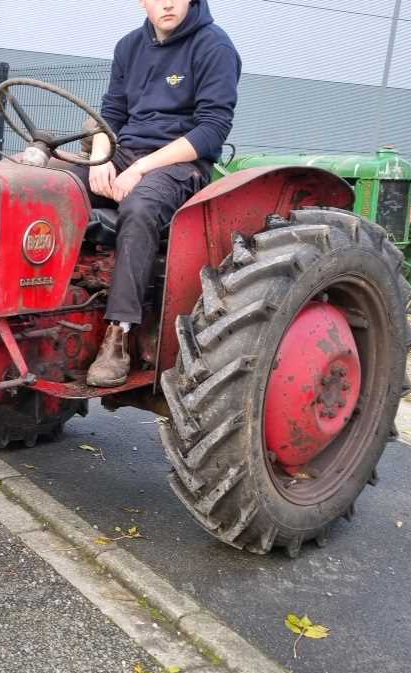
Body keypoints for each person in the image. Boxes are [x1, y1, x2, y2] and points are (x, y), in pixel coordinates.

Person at [73, 0, 241, 387]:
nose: (167, 3)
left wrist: (139, 169)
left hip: (181, 164)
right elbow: (110, 114)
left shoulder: (214, 46)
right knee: (50, 186)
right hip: (123, 152)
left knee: (140, 207)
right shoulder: (129, 46)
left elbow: (212, 129)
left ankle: (119, 334)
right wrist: (100, 159)